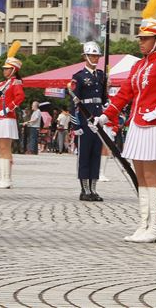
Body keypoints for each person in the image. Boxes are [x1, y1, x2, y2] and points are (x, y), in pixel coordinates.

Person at [94, 0, 156, 243]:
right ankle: (143, 223)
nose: (141, 42)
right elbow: (125, 93)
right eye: (140, 38)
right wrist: (106, 115)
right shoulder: (138, 65)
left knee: (151, 176)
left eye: (146, 38)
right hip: (137, 125)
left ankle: (155, 227)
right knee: (139, 176)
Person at [69, 41, 108, 201]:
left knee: (95, 155)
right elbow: (73, 101)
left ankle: (93, 189)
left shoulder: (101, 75)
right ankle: (84, 190)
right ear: (85, 56)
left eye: (97, 55)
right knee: (84, 155)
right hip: (85, 120)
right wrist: (75, 124)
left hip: (98, 119)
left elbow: (104, 99)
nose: (95, 58)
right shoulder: (78, 77)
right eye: (92, 55)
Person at [0, 42, 26, 189]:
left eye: (7, 69)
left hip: (6, 118)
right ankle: (3, 177)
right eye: (4, 68)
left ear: (14, 70)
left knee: (5, 148)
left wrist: (8, 109)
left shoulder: (15, 83)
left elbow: (20, 98)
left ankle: (7, 179)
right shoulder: (1, 84)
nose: (4, 71)